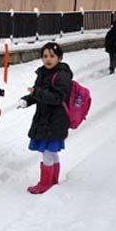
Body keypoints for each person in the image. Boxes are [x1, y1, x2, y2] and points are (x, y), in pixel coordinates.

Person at [17, 43, 72, 195]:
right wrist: (27, 100)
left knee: (47, 151)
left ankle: (45, 183)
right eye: (45, 56)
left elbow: (57, 97)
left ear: (59, 58)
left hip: (56, 120)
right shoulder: (42, 73)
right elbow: (38, 94)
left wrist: (37, 92)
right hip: (45, 118)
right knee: (51, 151)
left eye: (52, 56)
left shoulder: (62, 75)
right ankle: (53, 180)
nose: (48, 59)